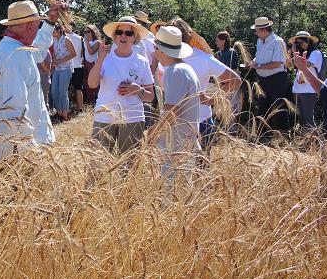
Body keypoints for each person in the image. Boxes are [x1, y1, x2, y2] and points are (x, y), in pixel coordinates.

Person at [0, 0, 66, 165]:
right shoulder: (16, 54)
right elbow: (15, 108)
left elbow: (38, 47)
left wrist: (50, 22)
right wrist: (29, 149)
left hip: (6, 146)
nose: (37, 30)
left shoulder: (14, 47)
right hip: (14, 152)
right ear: (29, 26)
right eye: (37, 25)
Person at [165, 18, 241, 154]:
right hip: (174, 122)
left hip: (200, 122)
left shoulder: (203, 58)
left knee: (199, 164)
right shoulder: (165, 56)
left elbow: (235, 80)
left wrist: (212, 100)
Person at [88, 16, 154, 155]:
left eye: (128, 33)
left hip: (132, 118)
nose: (123, 36)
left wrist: (137, 90)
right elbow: (92, 84)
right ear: (114, 36)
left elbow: (150, 96)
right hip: (104, 117)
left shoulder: (142, 61)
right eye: (119, 32)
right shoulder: (105, 57)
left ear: (134, 37)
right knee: (97, 163)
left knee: (128, 164)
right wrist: (100, 58)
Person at [149, 25, 202, 186]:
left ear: (162, 51)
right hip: (184, 142)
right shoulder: (186, 69)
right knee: (182, 189)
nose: (153, 52)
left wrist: (152, 133)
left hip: (176, 145)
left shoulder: (175, 72)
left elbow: (171, 113)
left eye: (155, 48)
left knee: (170, 191)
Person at [246, 17, 290, 138]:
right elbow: (259, 56)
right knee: (262, 107)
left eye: (257, 31)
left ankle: (284, 135)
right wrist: (252, 62)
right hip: (263, 79)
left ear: (264, 30)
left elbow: (277, 63)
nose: (256, 33)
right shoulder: (260, 41)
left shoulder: (277, 42)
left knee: (279, 107)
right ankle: (264, 135)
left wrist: (258, 66)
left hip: (277, 79)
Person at [286, 31, 321, 130]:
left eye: (302, 42)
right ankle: (305, 139)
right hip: (298, 90)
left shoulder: (315, 53)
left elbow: (305, 65)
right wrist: (291, 52)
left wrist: (295, 54)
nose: (300, 44)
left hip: (309, 90)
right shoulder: (298, 55)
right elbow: (287, 65)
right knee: (301, 120)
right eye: (298, 43)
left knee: (308, 119)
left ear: (309, 41)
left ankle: (315, 138)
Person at [51, 24, 77, 121]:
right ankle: (59, 112)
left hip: (66, 69)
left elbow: (74, 54)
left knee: (62, 92)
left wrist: (61, 61)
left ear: (59, 31)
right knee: (54, 92)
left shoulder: (66, 39)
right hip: (57, 69)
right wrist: (54, 61)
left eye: (53, 31)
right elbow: (53, 53)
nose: (52, 32)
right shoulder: (53, 40)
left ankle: (64, 114)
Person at [214, 31, 242, 117]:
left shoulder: (232, 53)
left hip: (230, 86)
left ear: (223, 41)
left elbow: (231, 71)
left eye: (217, 41)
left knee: (231, 111)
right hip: (220, 85)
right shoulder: (217, 54)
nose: (216, 42)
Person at [67, 27, 85, 113]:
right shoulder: (80, 38)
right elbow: (82, 53)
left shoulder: (63, 37)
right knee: (78, 89)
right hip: (78, 65)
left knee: (65, 90)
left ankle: (66, 109)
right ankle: (80, 109)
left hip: (67, 67)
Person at [82, 24, 101, 104]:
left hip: (94, 65)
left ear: (93, 32)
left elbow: (91, 52)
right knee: (87, 84)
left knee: (96, 84)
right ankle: (91, 103)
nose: (86, 33)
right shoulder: (84, 41)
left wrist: (86, 42)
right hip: (86, 64)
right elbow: (82, 52)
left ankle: (98, 102)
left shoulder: (97, 42)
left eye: (88, 31)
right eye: (85, 32)